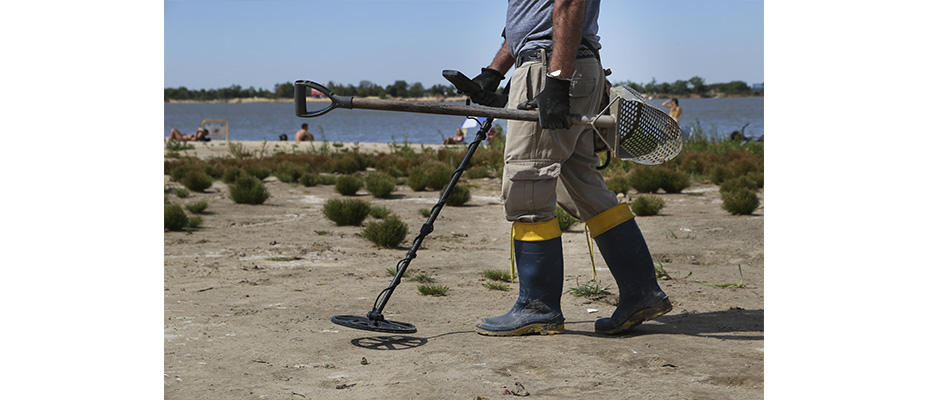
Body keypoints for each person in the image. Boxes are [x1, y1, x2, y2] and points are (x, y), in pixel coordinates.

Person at [466, 0, 671, 337]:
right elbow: (531, 21)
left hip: (552, 67)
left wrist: (557, 81)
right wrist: (494, 73)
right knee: (580, 185)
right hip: (563, 63)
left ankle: (538, 307)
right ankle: (642, 292)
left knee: (527, 186)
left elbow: (570, 3)